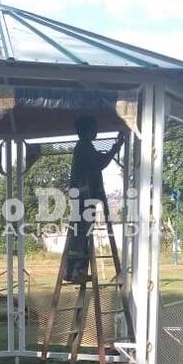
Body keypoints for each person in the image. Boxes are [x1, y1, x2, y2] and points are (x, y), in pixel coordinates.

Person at [65, 115, 124, 282]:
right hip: (85, 195)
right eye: (93, 128)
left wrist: (114, 148)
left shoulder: (84, 147)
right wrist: (116, 147)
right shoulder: (84, 146)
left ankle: (77, 270)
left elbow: (98, 162)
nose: (96, 131)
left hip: (85, 195)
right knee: (82, 233)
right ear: (85, 130)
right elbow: (101, 163)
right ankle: (75, 271)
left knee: (82, 233)